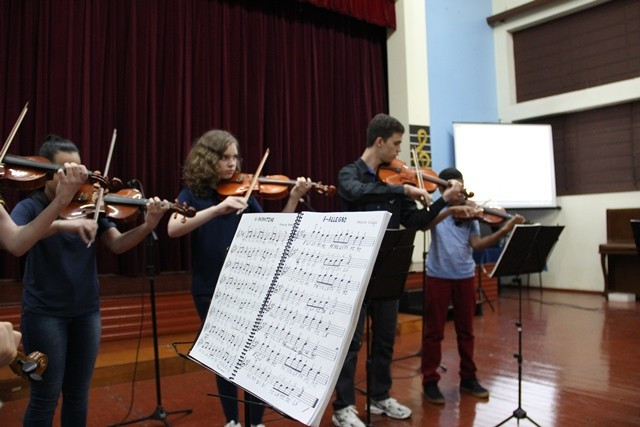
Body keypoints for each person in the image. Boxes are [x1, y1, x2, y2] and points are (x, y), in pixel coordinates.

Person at [10, 134, 170, 426]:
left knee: (78, 395)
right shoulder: (32, 206)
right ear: (47, 175)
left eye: (79, 172)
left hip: (86, 313)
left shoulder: (89, 204)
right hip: (44, 315)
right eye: (67, 173)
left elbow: (118, 244)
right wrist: (62, 224)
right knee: (45, 397)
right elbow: (18, 238)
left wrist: (148, 225)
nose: (77, 181)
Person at [167, 129, 312, 427]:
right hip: (210, 288)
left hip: (249, 286)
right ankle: (232, 420)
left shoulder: (241, 191)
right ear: (207, 159)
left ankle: (255, 422)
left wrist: (294, 198)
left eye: (235, 157)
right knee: (224, 358)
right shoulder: (192, 194)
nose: (232, 164)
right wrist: (217, 209)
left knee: (255, 358)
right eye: (224, 157)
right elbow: (174, 227)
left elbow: (275, 230)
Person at [332, 113, 465, 427]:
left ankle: (380, 396)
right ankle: (343, 407)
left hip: (388, 269)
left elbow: (417, 221)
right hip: (355, 269)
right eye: (395, 144)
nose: (398, 151)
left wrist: (442, 201)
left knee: (385, 338)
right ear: (379, 142)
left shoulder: (397, 179)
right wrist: (402, 191)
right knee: (351, 343)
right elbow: (356, 192)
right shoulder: (350, 173)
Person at [421, 167, 524, 405]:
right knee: (434, 332)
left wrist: (504, 230)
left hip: (465, 275)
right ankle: (430, 381)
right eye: (453, 188)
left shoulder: (472, 212)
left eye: (461, 187)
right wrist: (450, 209)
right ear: (443, 190)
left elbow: (477, 245)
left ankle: (468, 378)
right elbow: (425, 225)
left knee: (466, 331)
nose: (459, 193)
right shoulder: (435, 209)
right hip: (438, 275)